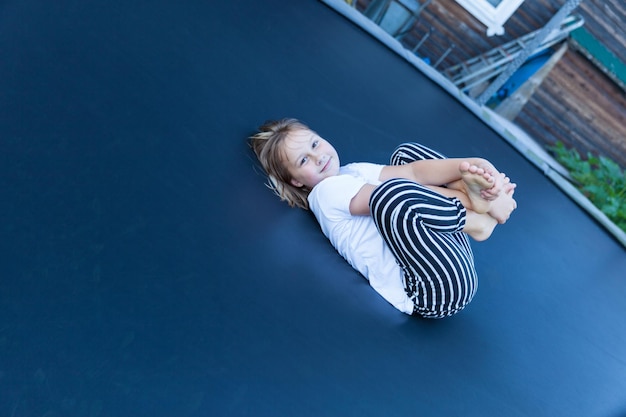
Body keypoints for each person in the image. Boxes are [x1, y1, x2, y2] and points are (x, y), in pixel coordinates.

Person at [250, 118, 517, 318]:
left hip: (445, 254)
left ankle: (479, 202)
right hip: (432, 289)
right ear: (296, 181)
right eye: (304, 160)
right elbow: (401, 197)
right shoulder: (323, 194)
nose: (318, 157)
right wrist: (475, 204)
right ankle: (479, 219)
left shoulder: (351, 171)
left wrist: (479, 166)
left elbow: (414, 174)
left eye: (315, 143)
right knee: (388, 194)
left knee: (406, 156)